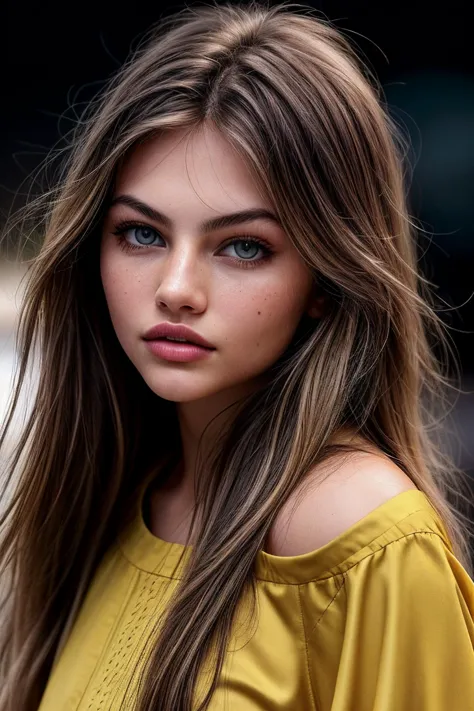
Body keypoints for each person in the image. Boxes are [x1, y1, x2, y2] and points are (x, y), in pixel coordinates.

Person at [1, 1, 473, 709]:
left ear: (325, 279)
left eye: (244, 246)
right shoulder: (108, 501)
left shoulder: (360, 529)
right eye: (141, 233)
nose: (176, 289)